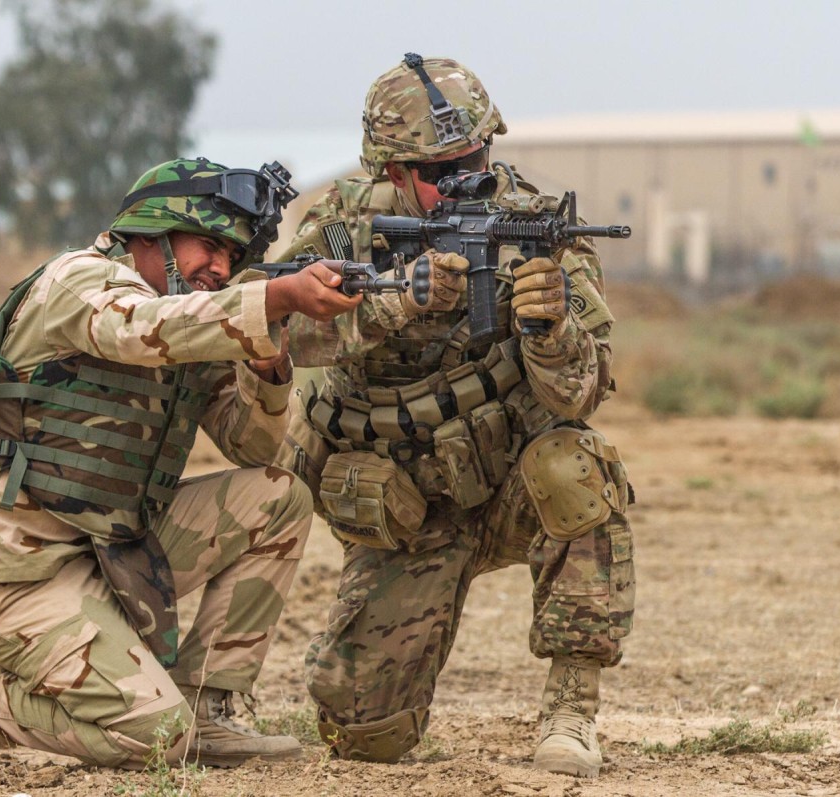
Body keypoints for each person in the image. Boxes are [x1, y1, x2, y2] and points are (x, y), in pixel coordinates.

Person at [0, 157, 362, 770]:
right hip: (19, 576)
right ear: (151, 234)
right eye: (208, 246)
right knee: (154, 738)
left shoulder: (198, 314)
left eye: (233, 257)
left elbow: (251, 447)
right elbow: (133, 329)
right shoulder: (77, 281)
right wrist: (269, 298)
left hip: (119, 555)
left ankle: (210, 707)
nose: (220, 268)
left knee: (278, 496)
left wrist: (269, 365)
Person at [274, 55, 635, 777]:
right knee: (362, 737)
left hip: (506, 485)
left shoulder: (531, 224)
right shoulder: (345, 225)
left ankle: (572, 708)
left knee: (576, 462)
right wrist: (393, 301)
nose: (463, 179)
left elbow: (582, 393)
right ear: (395, 170)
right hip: (404, 507)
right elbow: (280, 333)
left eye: (476, 158)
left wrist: (551, 330)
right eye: (441, 170)